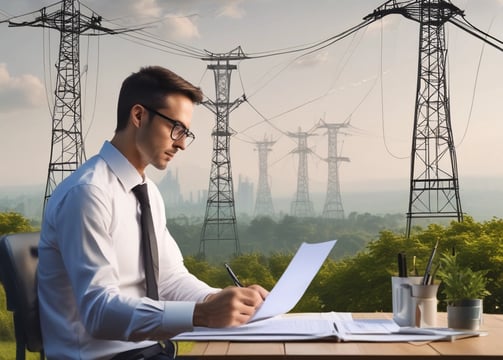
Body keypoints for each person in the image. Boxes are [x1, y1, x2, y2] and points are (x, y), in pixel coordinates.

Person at [38, 65, 268, 360]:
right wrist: (202, 314)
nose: (182, 143)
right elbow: (98, 311)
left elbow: (170, 279)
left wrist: (220, 301)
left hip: (147, 353)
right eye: (177, 128)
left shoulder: (147, 193)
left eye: (186, 132)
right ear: (138, 116)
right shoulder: (88, 193)